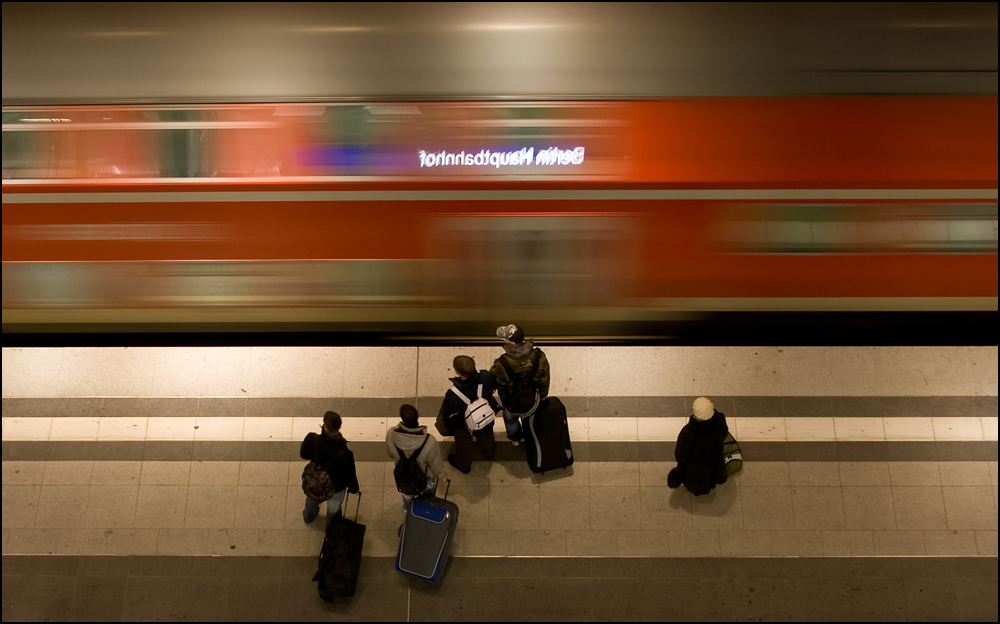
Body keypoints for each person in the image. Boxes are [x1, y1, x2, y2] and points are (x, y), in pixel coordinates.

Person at [490, 324, 550, 446]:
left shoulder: (501, 363)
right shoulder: (539, 357)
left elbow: (496, 382)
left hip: (511, 401)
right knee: (531, 417)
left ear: (511, 343)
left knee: (510, 421)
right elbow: (544, 377)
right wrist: (543, 394)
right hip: (533, 398)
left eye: (506, 339)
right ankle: (531, 434)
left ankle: (515, 439)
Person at [438, 354, 498, 474]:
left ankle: (464, 465)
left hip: (464, 422)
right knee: (486, 433)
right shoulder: (485, 376)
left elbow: (445, 412)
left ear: (459, 373)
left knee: (463, 442)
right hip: (484, 414)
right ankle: (489, 453)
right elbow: (494, 387)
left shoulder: (453, 394)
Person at [300, 411, 360, 528]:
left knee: (312, 500)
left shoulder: (312, 439)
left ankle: (308, 517)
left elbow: (304, 454)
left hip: (316, 481)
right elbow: (350, 475)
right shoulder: (346, 454)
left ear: (325, 427)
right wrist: (354, 489)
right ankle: (331, 527)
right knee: (334, 507)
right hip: (336, 487)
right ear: (339, 427)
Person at [386, 404, 448, 510]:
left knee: (407, 495)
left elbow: (390, 454)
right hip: (425, 475)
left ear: (403, 420)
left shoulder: (391, 434)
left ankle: (408, 510)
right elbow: (435, 462)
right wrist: (442, 476)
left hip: (404, 474)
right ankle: (425, 510)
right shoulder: (429, 441)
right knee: (427, 495)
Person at [673, 397, 729, 496]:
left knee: (698, 480)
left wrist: (680, 460)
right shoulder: (720, 419)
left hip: (696, 464)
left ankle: (697, 491)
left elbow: (682, 451)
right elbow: (725, 433)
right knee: (712, 475)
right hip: (715, 458)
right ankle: (712, 484)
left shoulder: (690, 431)